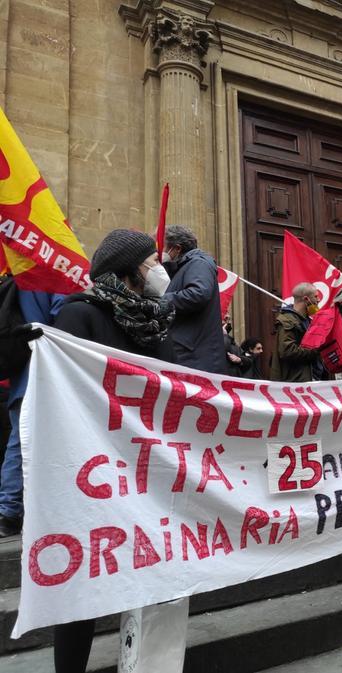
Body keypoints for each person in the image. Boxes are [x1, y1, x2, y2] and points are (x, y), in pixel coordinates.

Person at [52, 228, 175, 673]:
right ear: (130, 271)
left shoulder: (152, 323)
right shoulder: (78, 317)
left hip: (145, 474)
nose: (160, 269)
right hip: (92, 475)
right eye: (152, 261)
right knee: (83, 589)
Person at [0, 290, 65, 537]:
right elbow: (62, 319)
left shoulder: (15, 281)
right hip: (44, 377)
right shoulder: (47, 282)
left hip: (21, 380)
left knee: (18, 444)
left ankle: (8, 512)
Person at [162, 224, 226, 374]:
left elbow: (198, 294)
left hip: (194, 356)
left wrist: (160, 301)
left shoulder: (199, 263)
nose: (161, 252)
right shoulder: (185, 266)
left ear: (177, 248)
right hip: (189, 353)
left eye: (163, 247)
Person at [270, 282, 323, 382]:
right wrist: (316, 350)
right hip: (297, 381)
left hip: (311, 378)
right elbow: (287, 351)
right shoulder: (287, 320)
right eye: (315, 296)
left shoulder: (308, 321)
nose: (318, 299)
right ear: (306, 299)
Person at [222, 313, 251, 377]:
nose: (228, 321)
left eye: (229, 319)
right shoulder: (208, 338)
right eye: (225, 318)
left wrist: (239, 360)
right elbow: (223, 349)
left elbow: (248, 361)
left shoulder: (230, 340)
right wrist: (224, 336)